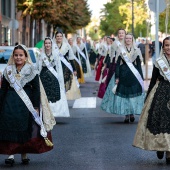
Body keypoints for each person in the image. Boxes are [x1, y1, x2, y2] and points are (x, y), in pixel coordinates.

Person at [0, 44, 55, 165]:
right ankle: (11, 155)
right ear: (13, 56)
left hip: (26, 103)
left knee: (25, 129)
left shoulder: (32, 70)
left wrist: (35, 106)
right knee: (10, 127)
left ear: (25, 56)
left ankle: (24, 154)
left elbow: (36, 89)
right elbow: (3, 89)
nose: (18, 57)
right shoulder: (8, 70)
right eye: (16, 55)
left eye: (21, 55)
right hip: (10, 102)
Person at [133, 36, 170, 164]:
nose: (169, 48)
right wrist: (148, 96)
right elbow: (153, 81)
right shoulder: (159, 62)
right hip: (160, 93)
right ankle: (160, 146)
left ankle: (168, 150)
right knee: (160, 121)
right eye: (166, 45)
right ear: (163, 47)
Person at [101, 33, 144, 122]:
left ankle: (132, 113)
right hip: (123, 74)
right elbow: (117, 65)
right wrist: (117, 77)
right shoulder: (121, 50)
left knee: (132, 96)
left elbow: (139, 65)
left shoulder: (137, 50)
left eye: (130, 38)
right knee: (125, 96)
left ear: (132, 40)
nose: (128, 40)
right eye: (126, 38)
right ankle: (126, 114)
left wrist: (141, 78)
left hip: (133, 75)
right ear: (125, 40)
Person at [37, 37, 70, 117]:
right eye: (46, 43)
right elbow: (38, 67)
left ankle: (54, 113)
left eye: (49, 43)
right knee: (44, 95)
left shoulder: (56, 54)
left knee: (54, 95)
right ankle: (45, 113)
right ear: (44, 45)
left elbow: (58, 67)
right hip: (44, 77)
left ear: (51, 44)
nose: (47, 45)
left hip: (53, 77)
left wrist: (60, 80)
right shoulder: (41, 54)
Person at [55, 31, 81, 100]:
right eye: (57, 36)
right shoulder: (53, 46)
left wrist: (74, 69)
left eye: (60, 36)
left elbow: (71, 58)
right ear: (55, 37)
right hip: (55, 67)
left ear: (62, 37)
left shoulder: (66, 46)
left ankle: (63, 98)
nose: (59, 38)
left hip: (65, 67)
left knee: (64, 83)